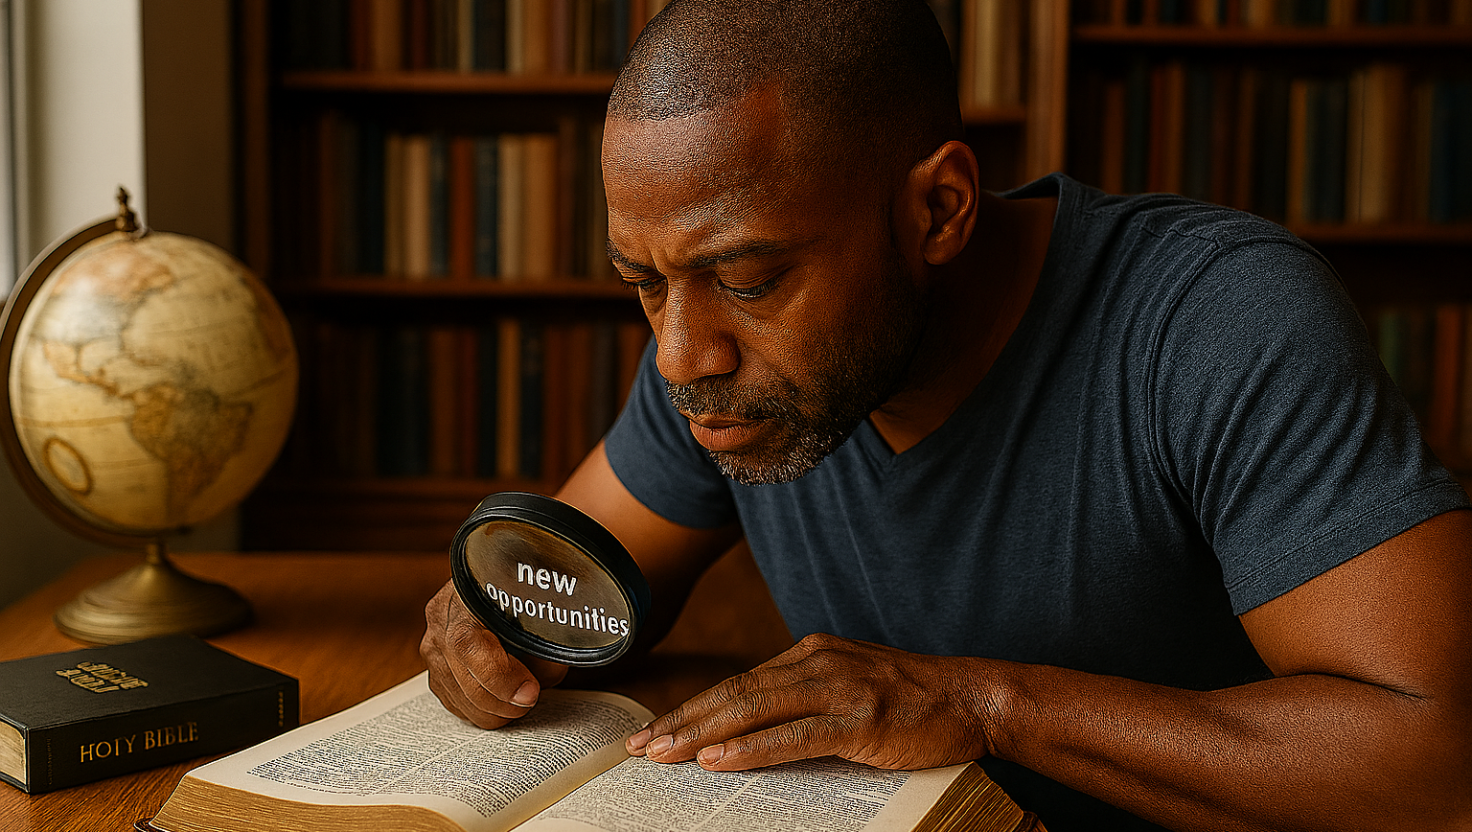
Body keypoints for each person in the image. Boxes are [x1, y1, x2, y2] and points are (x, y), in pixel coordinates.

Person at [420, 1, 1472, 829]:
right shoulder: (729, 368)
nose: (678, 353)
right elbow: (575, 586)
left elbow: (1433, 765)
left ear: (938, 209)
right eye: (642, 281)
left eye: (745, 277)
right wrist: (496, 630)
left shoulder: (1217, 321)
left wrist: (980, 705)